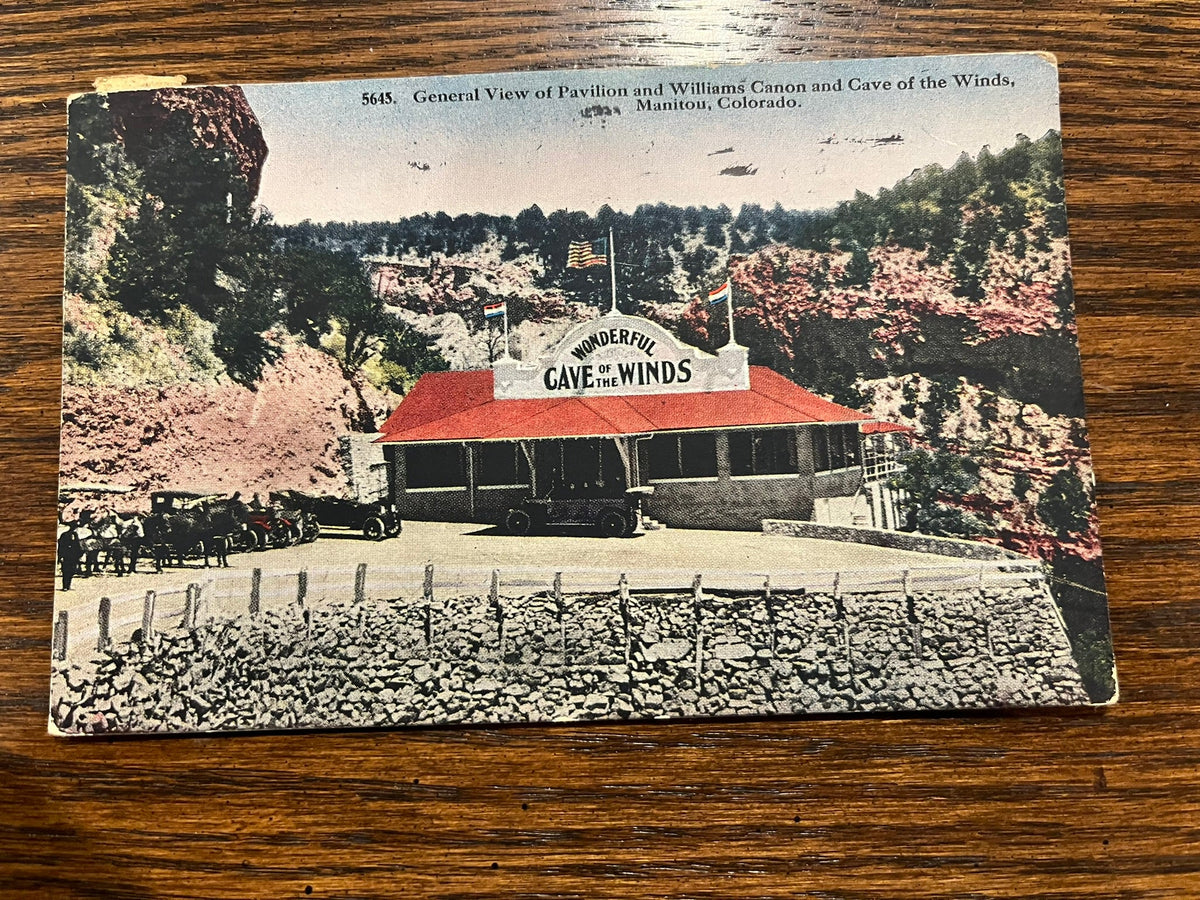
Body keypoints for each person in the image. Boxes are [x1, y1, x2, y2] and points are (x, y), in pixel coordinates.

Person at [57, 523, 82, 591]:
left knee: (71, 571)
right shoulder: (64, 535)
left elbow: (77, 545)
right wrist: (60, 556)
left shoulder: (75, 535)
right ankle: (65, 586)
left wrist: (79, 554)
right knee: (65, 571)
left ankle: (68, 585)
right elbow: (61, 547)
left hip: (73, 556)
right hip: (66, 556)